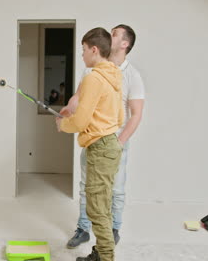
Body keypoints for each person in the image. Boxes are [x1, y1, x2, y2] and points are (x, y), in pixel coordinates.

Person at [65, 24, 145, 249]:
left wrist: (118, 143)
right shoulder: (93, 69)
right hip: (93, 139)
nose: (110, 36)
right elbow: (78, 97)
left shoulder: (131, 75)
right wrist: (68, 110)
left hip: (114, 141)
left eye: (115, 34)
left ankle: (112, 231)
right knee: (86, 187)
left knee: (115, 190)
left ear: (125, 44)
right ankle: (83, 228)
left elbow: (135, 114)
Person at [56, 27, 123, 261]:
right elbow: (120, 118)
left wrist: (63, 124)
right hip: (111, 145)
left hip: (100, 148)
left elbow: (81, 120)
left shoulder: (93, 77)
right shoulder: (114, 76)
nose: (82, 55)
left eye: (83, 50)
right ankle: (101, 253)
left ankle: (106, 257)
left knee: (96, 208)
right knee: (102, 205)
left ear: (94, 50)